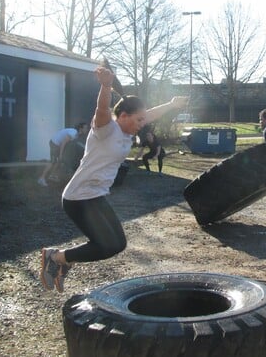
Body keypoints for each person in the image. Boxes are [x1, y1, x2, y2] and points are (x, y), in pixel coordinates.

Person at [39, 66, 187, 292]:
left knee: (118, 244)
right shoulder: (105, 130)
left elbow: (150, 114)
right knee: (105, 246)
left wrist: (172, 104)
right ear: (123, 116)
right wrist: (106, 86)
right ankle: (57, 257)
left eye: (142, 121)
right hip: (78, 197)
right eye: (137, 120)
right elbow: (101, 109)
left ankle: (62, 259)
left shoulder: (127, 133)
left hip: (95, 196)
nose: (141, 125)